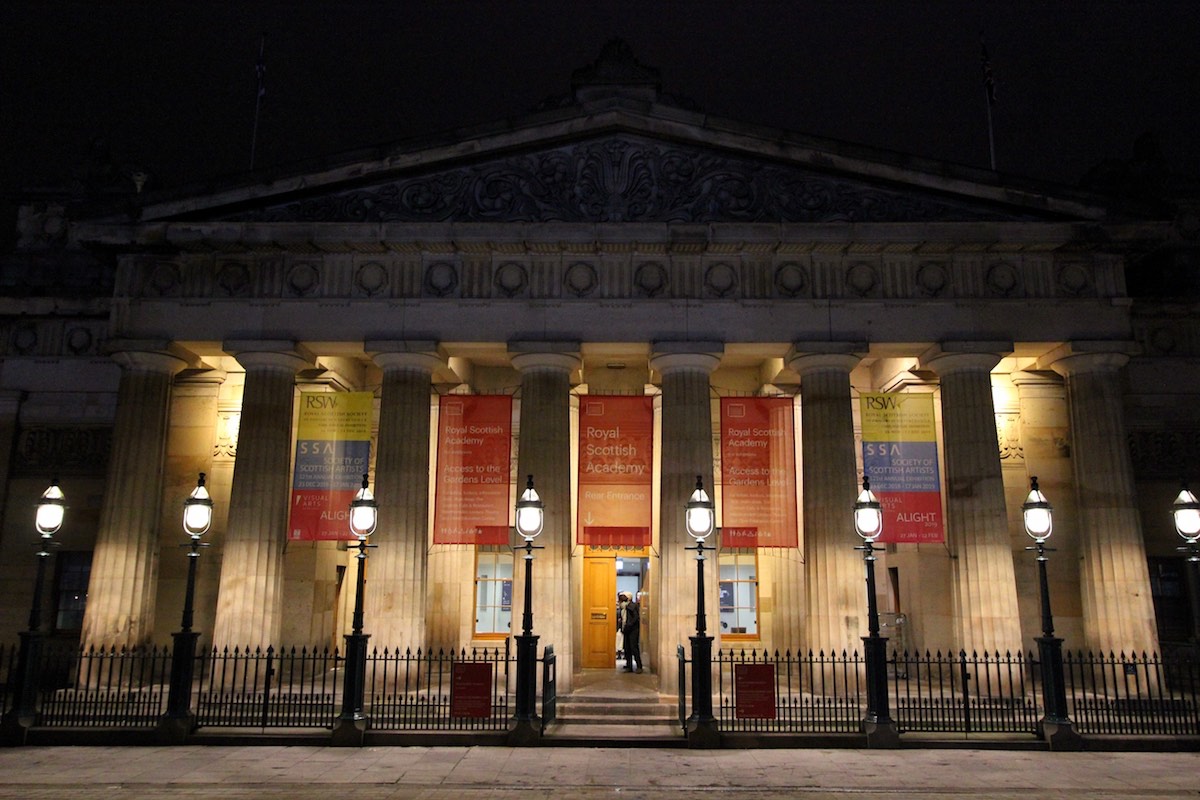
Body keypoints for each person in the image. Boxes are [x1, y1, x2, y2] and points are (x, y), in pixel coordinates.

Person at [621, 591, 642, 673]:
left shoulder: (632, 606)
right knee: (627, 648)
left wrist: (629, 625)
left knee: (634, 647)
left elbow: (635, 618)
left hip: (633, 630)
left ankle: (639, 666)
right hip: (626, 629)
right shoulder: (624, 607)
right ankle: (629, 665)